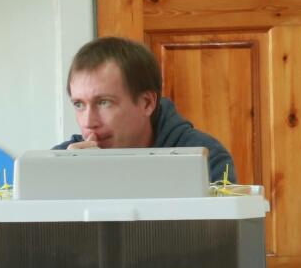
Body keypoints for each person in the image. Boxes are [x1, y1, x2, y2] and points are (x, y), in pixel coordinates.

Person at [58, 36, 235, 183]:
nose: (89, 122)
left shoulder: (205, 159)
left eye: (104, 102)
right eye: (79, 104)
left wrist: (110, 176)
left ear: (147, 103)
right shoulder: (59, 162)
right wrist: (72, 181)